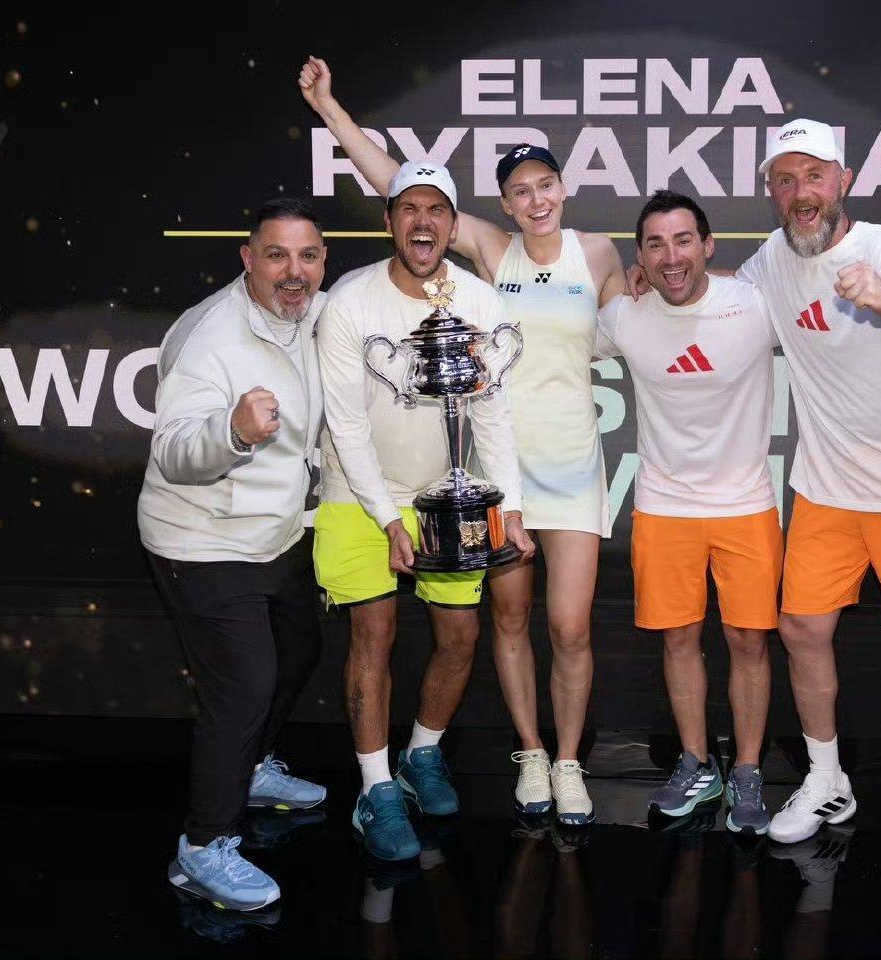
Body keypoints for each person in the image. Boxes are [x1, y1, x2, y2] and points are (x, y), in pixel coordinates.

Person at [300, 57, 624, 824]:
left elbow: (626, 324)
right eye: (520, 190)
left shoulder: (576, 261)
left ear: (562, 189)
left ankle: (502, 758)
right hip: (427, 482)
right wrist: (330, 110)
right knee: (435, 627)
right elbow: (401, 185)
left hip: (529, 477)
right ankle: (450, 773)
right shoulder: (448, 266)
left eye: (546, 185)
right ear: (503, 204)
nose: (535, 199)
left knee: (519, 632)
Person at [731, 119, 881, 880]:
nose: (802, 193)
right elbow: (715, 304)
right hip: (826, 486)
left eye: (815, 176)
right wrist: (645, 281)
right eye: (785, 180)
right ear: (770, 190)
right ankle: (827, 780)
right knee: (801, 628)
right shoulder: (768, 261)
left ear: (844, 181)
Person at [315, 160, 533, 860]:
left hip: (447, 494)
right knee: (373, 634)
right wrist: (386, 518)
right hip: (358, 494)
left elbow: (492, 413)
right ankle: (376, 790)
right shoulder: (350, 303)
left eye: (436, 210)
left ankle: (422, 754)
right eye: (409, 208)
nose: (422, 222)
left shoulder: (479, 301)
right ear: (389, 222)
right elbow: (347, 424)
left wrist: (511, 509)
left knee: (460, 637)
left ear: (452, 224)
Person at [139, 198, 330, 911]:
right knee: (245, 684)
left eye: (307, 256)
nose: (293, 271)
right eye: (276, 255)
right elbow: (173, 450)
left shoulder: (314, 311)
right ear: (248, 259)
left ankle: (248, 767)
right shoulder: (209, 334)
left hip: (274, 533)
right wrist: (234, 432)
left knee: (301, 650)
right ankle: (201, 848)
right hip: (202, 538)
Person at [597, 190, 780, 834]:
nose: (670, 256)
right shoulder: (624, 316)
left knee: (748, 641)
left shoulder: (753, 303)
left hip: (746, 505)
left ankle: (748, 771)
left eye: (683, 241)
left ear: (708, 245)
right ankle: (697, 764)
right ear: (640, 255)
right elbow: (557, 344)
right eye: (655, 244)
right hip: (664, 507)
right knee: (679, 639)